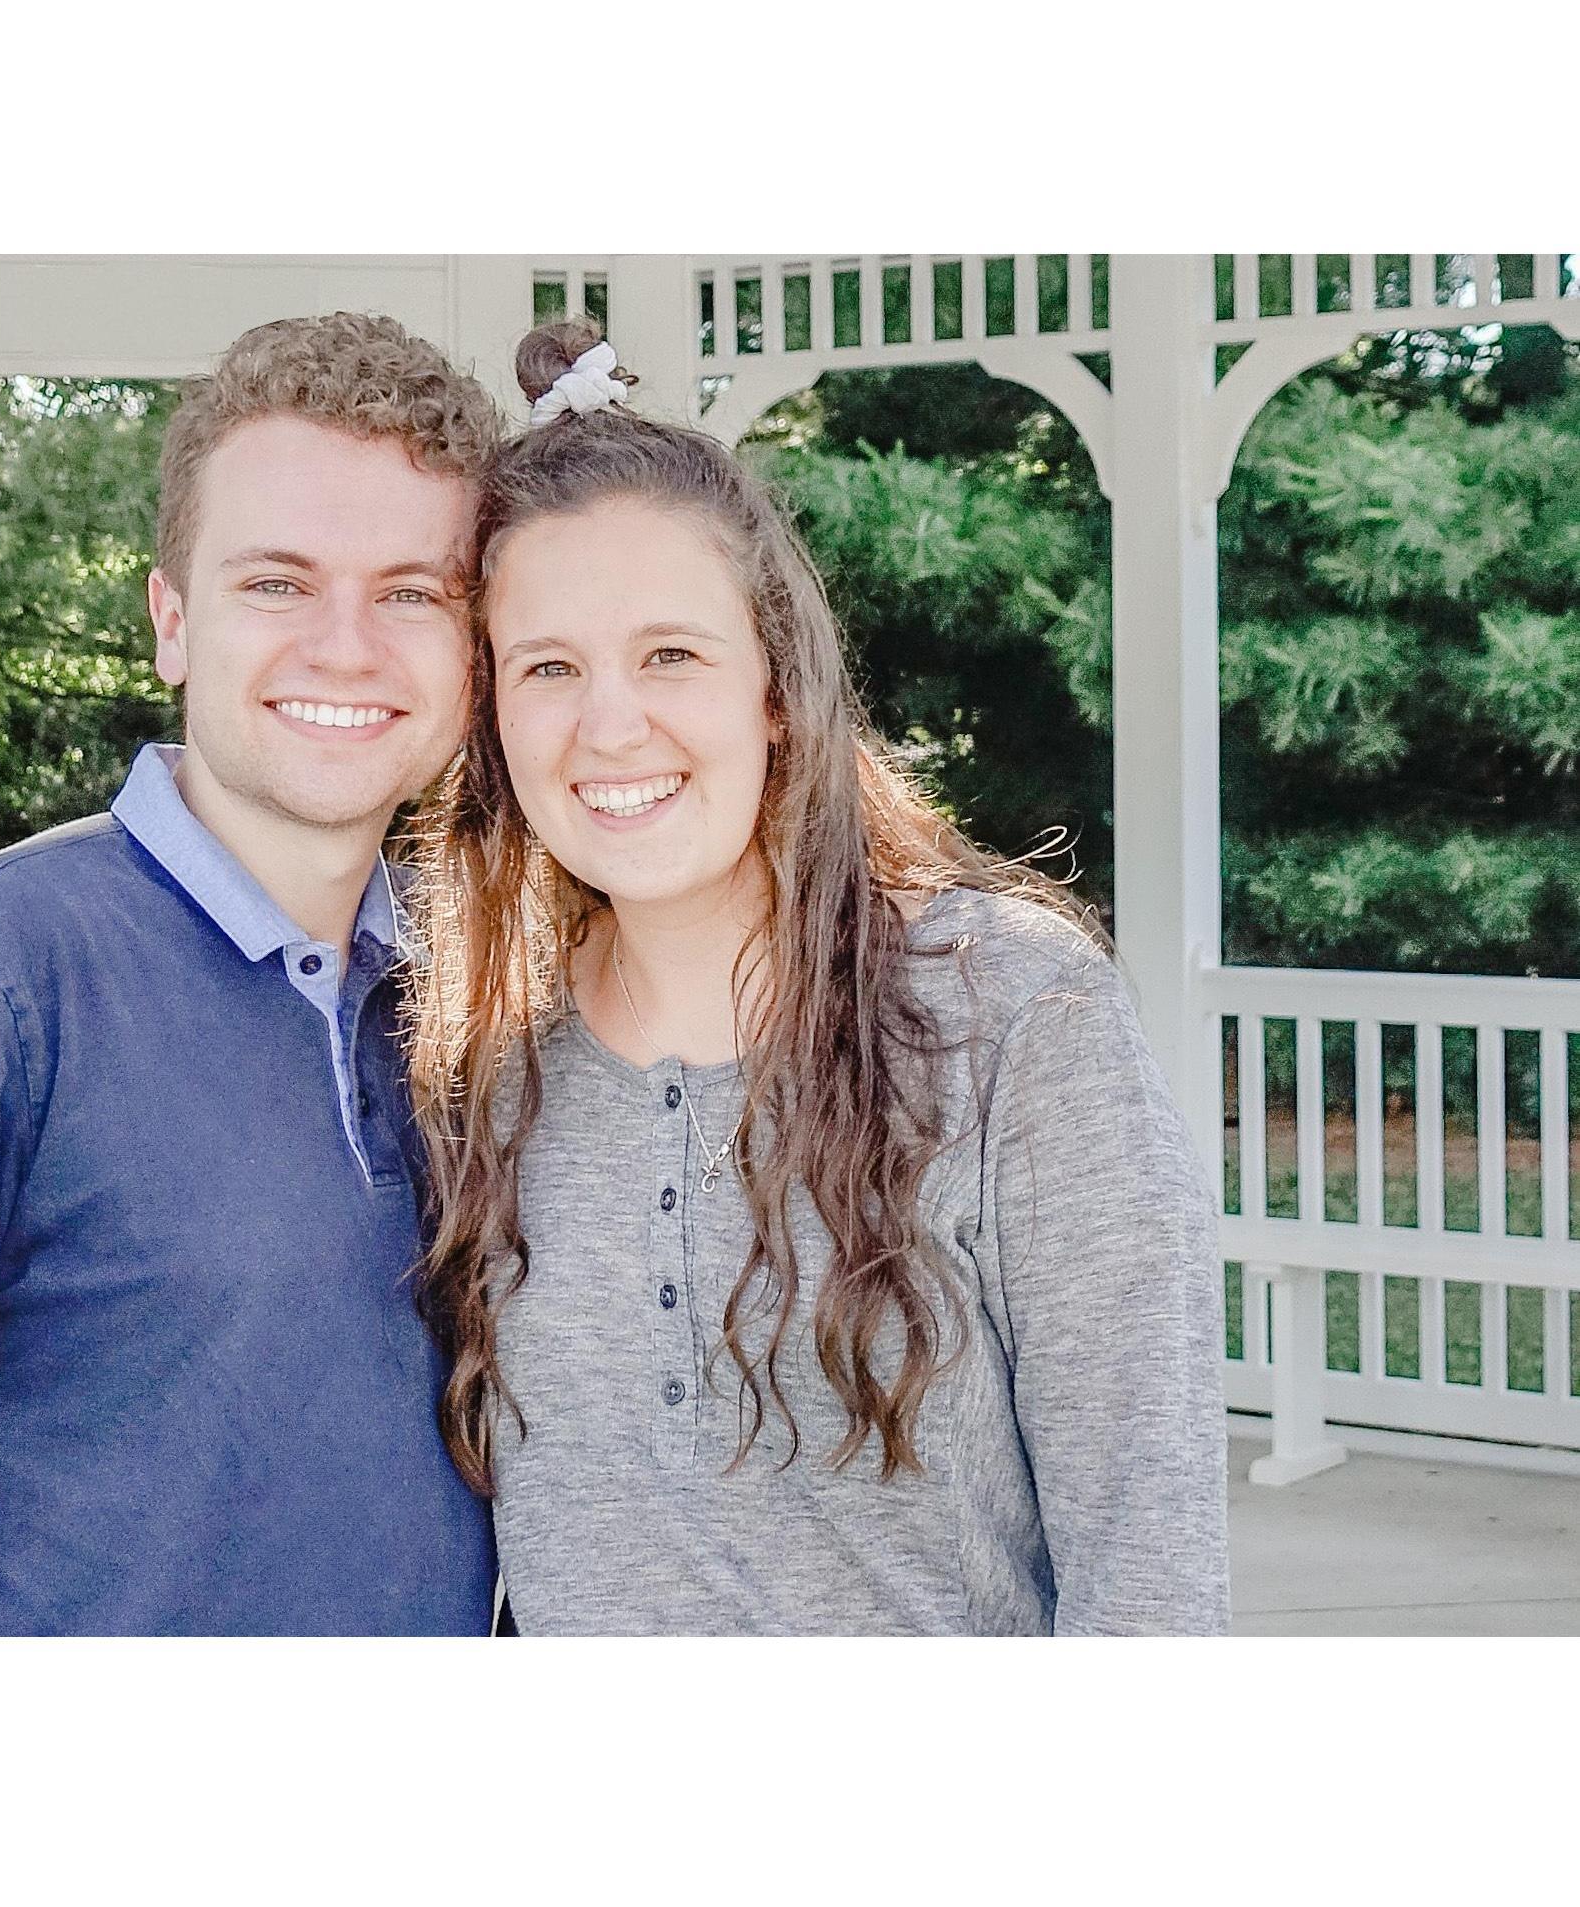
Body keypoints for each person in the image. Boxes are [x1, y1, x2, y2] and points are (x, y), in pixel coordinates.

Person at [405, 319, 1230, 1636]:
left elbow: (1150, 1549)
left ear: (775, 689)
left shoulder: (1015, 1014)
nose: (610, 725)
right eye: (550, 668)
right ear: (493, 720)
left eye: (671, 654)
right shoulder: (485, 1065)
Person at [0, 313, 502, 1635]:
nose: (348, 645)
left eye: (413, 591)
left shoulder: (473, 988)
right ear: (172, 622)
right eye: (277, 583)